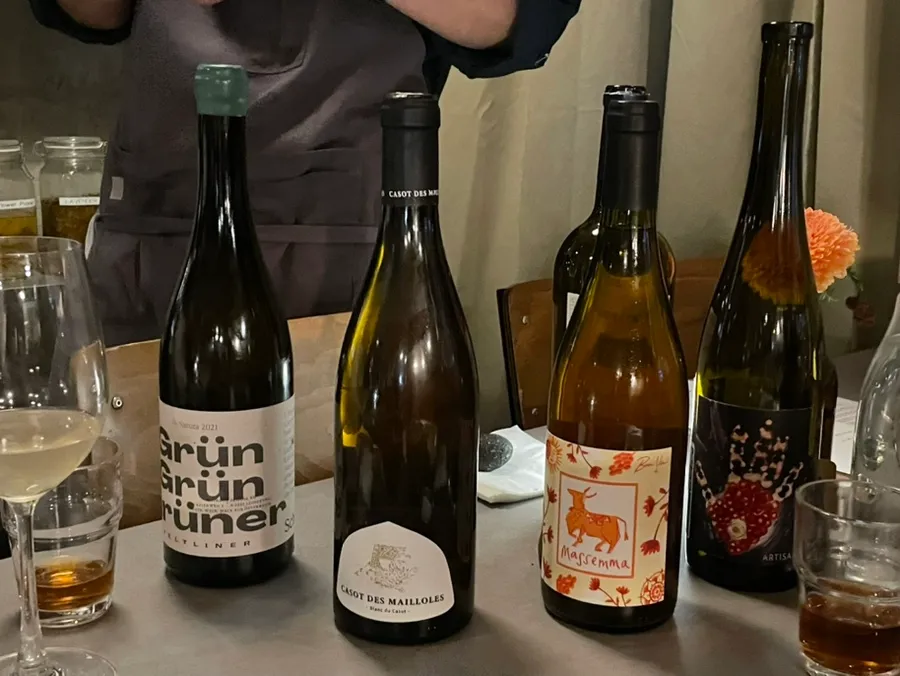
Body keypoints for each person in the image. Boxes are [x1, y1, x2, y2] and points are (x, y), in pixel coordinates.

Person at [28, 0, 582, 346]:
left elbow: (510, 18)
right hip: (152, 233)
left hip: (337, 250)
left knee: (336, 485)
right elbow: (92, 11)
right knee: (132, 482)